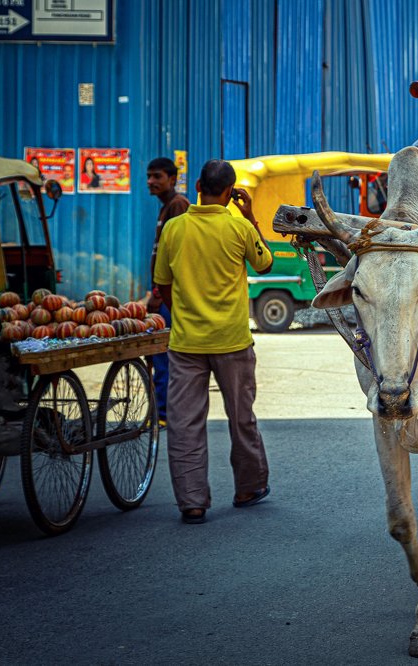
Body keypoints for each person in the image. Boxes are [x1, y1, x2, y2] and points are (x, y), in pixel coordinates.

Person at [153, 159, 274, 524]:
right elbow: (264, 263)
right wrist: (249, 216)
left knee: (184, 423)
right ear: (229, 192)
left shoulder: (174, 228)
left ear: (198, 187)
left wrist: (183, 314)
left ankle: (192, 501)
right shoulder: (238, 226)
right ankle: (248, 487)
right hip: (232, 341)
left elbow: (162, 285)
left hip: (186, 342)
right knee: (241, 418)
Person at [146, 157, 191, 427]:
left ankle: (164, 414)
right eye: (149, 176)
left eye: (157, 176)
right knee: (160, 353)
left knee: (163, 354)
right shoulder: (166, 207)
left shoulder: (178, 205)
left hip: (170, 294)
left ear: (172, 179)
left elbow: (176, 255)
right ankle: (161, 411)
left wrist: (158, 293)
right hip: (163, 292)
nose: (151, 181)